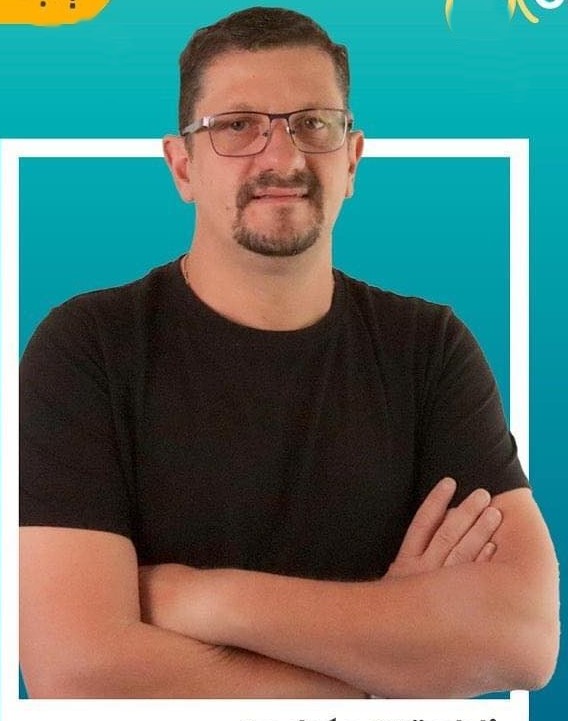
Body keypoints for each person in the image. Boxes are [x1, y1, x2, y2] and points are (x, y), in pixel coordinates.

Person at [19, 6, 559, 699]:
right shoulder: (86, 347)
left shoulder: (430, 349)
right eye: (237, 126)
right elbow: (76, 671)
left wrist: (202, 597)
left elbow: (523, 637)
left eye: (313, 123)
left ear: (352, 158)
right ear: (182, 165)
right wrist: (387, 654)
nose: (282, 158)